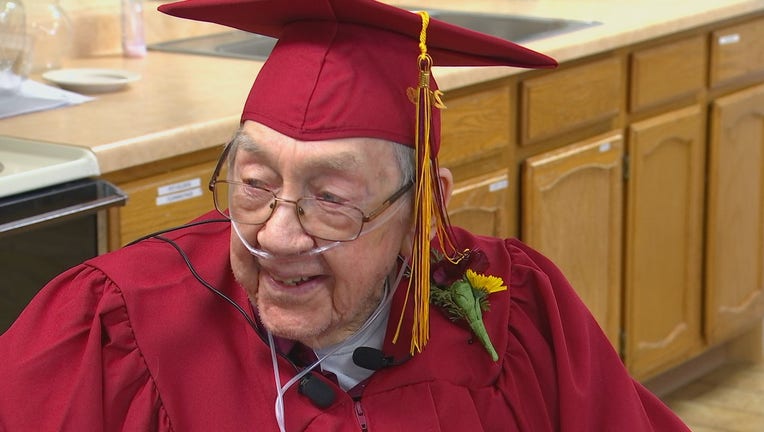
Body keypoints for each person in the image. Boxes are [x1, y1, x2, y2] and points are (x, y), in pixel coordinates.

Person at [0, 0, 691, 430]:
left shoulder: (522, 313)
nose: (275, 233)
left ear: (425, 211)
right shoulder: (113, 323)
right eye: (253, 182)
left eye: (331, 200)